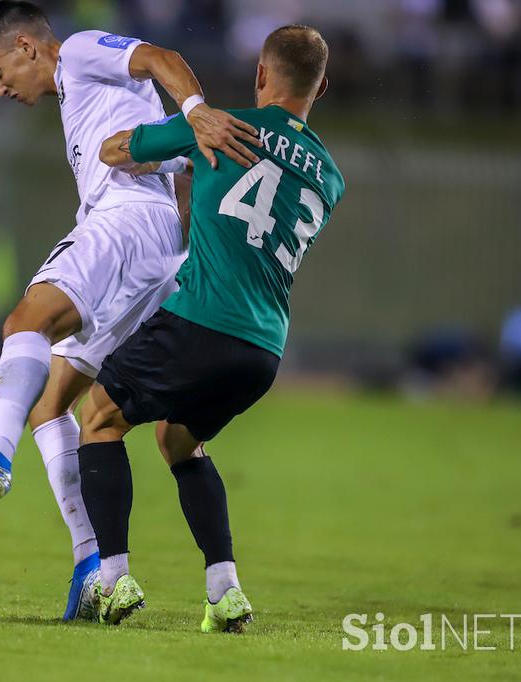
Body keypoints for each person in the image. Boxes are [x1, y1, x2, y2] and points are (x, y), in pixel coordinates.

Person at [0, 0, 261, 621]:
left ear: (27, 46)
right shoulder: (86, 99)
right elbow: (177, 169)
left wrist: (196, 114)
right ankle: (93, 567)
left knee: (24, 323)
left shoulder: (82, 51)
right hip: (154, 249)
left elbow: (160, 58)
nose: (0, 89)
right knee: (54, 405)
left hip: (122, 227)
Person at [78, 25, 345, 630]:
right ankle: (224, 591)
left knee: (97, 419)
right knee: (179, 440)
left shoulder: (220, 128)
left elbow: (115, 151)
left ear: (260, 74)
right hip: (263, 349)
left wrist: (185, 139)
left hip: (202, 320)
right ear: (321, 87)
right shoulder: (330, 177)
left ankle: (114, 581)